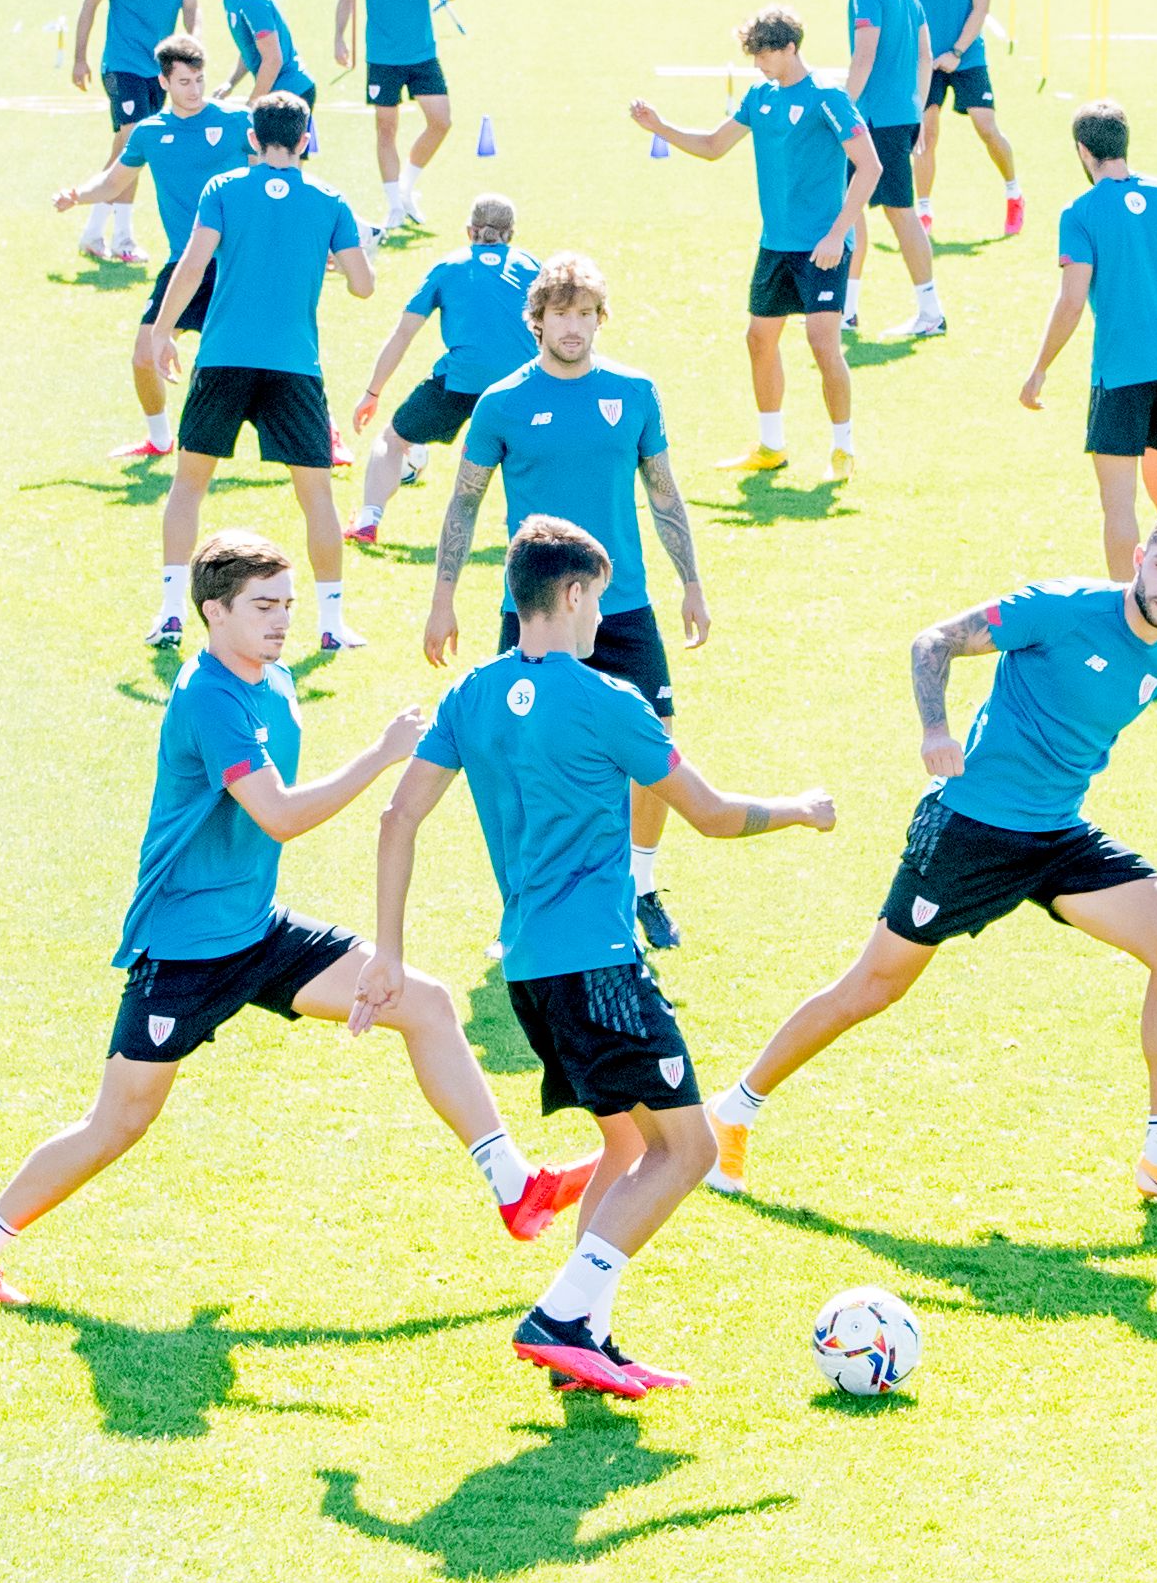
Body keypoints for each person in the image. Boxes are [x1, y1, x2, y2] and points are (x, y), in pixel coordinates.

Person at [0, 530, 595, 1310]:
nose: (282, 622)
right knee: (117, 1123)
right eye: (263, 607)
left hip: (257, 930)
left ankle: (515, 1188)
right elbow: (275, 814)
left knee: (428, 1002)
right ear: (213, 611)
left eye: (288, 604)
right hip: (184, 953)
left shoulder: (273, 681)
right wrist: (381, 755)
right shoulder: (209, 696)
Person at [374, 517, 837, 1395]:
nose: (603, 619)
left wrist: (387, 952)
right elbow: (710, 812)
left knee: (626, 1144)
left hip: (528, 974)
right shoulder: (607, 699)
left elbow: (398, 819)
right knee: (689, 1148)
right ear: (576, 592)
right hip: (601, 967)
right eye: (601, 598)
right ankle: (558, 1312)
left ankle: (586, 1335)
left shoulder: (471, 695)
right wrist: (800, 807)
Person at [705, 508, 1157, 1211]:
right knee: (873, 986)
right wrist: (935, 728)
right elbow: (933, 640)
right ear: (1141, 555)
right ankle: (733, 1109)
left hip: (1056, 836)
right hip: (970, 827)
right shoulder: (1061, 608)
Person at [418, 254, 710, 951]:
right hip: (538, 608)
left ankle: (639, 887)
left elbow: (664, 493)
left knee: (656, 740)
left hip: (625, 603)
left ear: (598, 320)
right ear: (538, 319)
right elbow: (463, 503)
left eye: (586, 314)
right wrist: (443, 599)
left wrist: (691, 581)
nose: (574, 327)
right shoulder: (501, 403)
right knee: (519, 754)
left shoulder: (634, 392)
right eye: (561, 313)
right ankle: (525, 900)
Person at [141, 94, 372, 653]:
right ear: (304, 137)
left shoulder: (223, 190)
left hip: (222, 358)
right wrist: (334, 255)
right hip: (294, 366)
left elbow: (194, 264)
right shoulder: (329, 200)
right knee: (315, 495)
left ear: (252, 135)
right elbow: (364, 285)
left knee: (188, 485)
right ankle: (331, 625)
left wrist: (160, 332)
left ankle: (172, 614)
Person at [630, 7, 878, 483]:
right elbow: (713, 146)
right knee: (759, 339)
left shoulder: (827, 97)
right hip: (776, 244)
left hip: (822, 246)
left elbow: (869, 167)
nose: (759, 63)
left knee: (822, 343)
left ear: (790, 48)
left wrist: (835, 234)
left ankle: (843, 447)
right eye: (754, 55)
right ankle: (772, 445)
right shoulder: (758, 96)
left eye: (766, 54)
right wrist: (660, 127)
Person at [1020, 101, 1157, 632]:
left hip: (1120, 375)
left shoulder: (1080, 212)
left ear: (1083, 151)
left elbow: (1071, 299)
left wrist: (1040, 367)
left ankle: (1130, 625)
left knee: (1119, 506)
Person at [54, 37, 256, 464]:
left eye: (199, 80)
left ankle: (324, 431)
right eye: (184, 82)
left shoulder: (238, 122)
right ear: (164, 81)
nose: (195, 90)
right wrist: (77, 194)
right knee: (144, 354)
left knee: (269, 354)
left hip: (237, 264)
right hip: (184, 265)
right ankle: (160, 438)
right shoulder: (149, 133)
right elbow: (113, 182)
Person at [346, 192, 537, 543]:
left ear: (469, 231)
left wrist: (372, 392)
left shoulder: (449, 267)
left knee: (392, 440)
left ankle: (368, 521)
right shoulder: (533, 267)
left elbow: (404, 333)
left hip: (459, 382)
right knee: (529, 455)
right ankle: (530, 527)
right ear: (511, 234)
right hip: (521, 386)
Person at [68, 0, 200, 259]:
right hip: (122, 65)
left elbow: (191, 6)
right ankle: (118, 238)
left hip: (158, 69)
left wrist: (195, 44)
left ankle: (99, 235)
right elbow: (89, 5)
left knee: (133, 148)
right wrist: (80, 58)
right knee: (133, 140)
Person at [836, 0, 947, 340]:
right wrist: (917, 108)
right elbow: (925, 53)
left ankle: (929, 311)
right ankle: (848, 308)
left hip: (872, 119)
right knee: (856, 207)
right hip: (898, 115)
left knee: (889, 213)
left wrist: (841, 110)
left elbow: (865, 54)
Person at [331, 0, 459, 241]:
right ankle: (394, 206)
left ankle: (407, 187)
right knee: (386, 130)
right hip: (383, 57)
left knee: (441, 121)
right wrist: (339, 37)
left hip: (422, 53)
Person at [895, 0, 1017, 230]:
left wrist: (956, 52)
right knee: (926, 134)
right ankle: (924, 211)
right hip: (925, 60)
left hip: (967, 57)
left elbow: (981, 10)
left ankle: (1013, 193)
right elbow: (904, 8)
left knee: (987, 127)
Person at [199, 0, 314, 132]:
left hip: (289, 96)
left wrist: (253, 105)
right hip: (279, 93)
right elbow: (251, 48)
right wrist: (231, 83)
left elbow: (273, 58)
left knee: (277, 163)